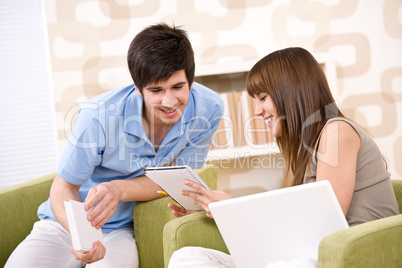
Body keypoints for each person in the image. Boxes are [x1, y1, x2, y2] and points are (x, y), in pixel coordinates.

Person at [5, 23, 224, 268]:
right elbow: (63, 187)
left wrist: (119, 189)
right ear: (138, 88)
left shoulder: (209, 108)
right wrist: (83, 235)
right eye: (156, 90)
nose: (170, 101)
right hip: (64, 225)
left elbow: (176, 180)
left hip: (121, 230)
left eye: (177, 87)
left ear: (191, 81)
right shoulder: (97, 117)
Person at [167, 47, 400, 268]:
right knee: (188, 256)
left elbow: (323, 226)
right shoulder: (301, 148)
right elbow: (287, 226)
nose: (257, 111)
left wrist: (230, 206)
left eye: (262, 97)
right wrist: (220, 211)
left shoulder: (336, 132)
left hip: (347, 255)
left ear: (291, 92)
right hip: (304, 255)